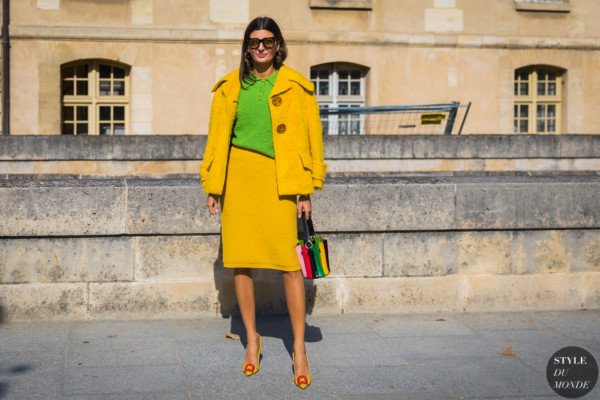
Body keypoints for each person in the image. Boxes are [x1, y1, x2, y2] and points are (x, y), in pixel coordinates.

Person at [199, 16, 327, 390]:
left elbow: (311, 140)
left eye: (267, 42)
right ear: (246, 46)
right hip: (239, 180)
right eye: (254, 41)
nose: (260, 47)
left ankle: (299, 348)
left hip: (281, 183)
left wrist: (307, 190)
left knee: (290, 266)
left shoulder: (297, 86)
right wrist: (213, 185)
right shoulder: (229, 87)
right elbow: (217, 139)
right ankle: (251, 340)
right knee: (241, 261)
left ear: (278, 46)